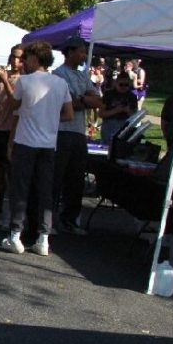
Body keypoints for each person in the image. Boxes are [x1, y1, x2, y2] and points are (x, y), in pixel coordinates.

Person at [0, 40, 73, 257]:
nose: (23, 62)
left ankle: (15, 234)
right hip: (49, 144)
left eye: (26, 58)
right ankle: (43, 238)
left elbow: (13, 105)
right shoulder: (61, 84)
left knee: (20, 189)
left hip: (26, 142)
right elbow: (69, 115)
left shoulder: (25, 81)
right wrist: (49, 117)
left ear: (34, 58)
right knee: (44, 191)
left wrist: (6, 83)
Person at [51, 36, 101, 235]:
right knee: (57, 177)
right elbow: (67, 103)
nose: (83, 56)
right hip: (62, 132)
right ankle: (50, 219)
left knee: (76, 179)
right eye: (81, 51)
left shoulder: (83, 76)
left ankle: (70, 220)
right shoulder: (58, 75)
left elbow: (97, 101)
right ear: (70, 52)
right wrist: (82, 100)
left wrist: (81, 100)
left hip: (79, 133)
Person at [0, 45, 23, 227]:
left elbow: (16, 102)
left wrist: (6, 81)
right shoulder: (2, 77)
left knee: (12, 175)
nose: (15, 61)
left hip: (11, 130)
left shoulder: (23, 79)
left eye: (19, 58)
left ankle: (10, 215)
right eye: (13, 57)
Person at [99, 71, 139, 145]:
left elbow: (135, 116)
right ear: (116, 83)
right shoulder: (108, 94)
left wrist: (127, 111)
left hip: (125, 125)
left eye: (126, 85)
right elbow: (101, 113)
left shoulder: (132, 97)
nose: (123, 87)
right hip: (109, 125)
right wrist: (116, 110)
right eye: (121, 84)